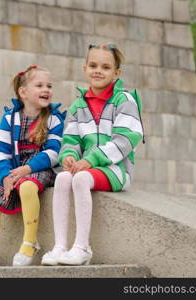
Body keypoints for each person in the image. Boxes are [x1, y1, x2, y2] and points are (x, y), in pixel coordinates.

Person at [41, 43, 144, 266]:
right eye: (93, 65)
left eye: (106, 67)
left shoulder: (125, 100)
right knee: (62, 176)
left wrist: (91, 159)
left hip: (116, 170)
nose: (98, 71)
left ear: (117, 73)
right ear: (85, 68)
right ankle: (60, 246)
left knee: (80, 178)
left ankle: (82, 247)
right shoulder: (79, 104)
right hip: (87, 166)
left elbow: (127, 140)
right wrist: (68, 155)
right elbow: (71, 139)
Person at [0, 65, 65, 266]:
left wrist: (27, 169)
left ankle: (29, 242)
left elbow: (53, 153)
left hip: (41, 171)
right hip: (14, 173)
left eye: (49, 86)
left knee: (27, 186)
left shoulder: (53, 119)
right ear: (23, 92)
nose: (46, 90)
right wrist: (5, 177)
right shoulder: (10, 118)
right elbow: (1, 151)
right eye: (40, 85)